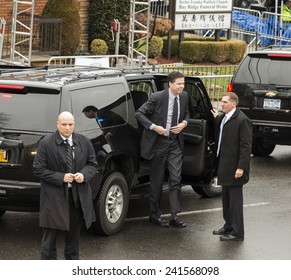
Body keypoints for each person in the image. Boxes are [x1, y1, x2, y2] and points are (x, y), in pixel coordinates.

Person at [33, 111, 98, 259]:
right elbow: (38, 169)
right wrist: (61, 177)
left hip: (76, 198)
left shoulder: (84, 141)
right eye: (64, 124)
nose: (67, 128)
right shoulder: (46, 143)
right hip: (54, 198)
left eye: (70, 124)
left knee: (73, 242)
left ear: (74, 124)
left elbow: (93, 164)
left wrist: (84, 175)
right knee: (49, 244)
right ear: (57, 124)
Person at [135, 71, 189, 228]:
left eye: (183, 83)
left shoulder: (184, 97)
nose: (182, 86)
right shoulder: (157, 97)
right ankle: (154, 215)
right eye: (179, 83)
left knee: (175, 178)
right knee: (157, 182)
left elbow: (186, 114)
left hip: (175, 143)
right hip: (158, 143)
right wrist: (154, 127)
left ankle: (174, 216)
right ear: (170, 84)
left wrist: (183, 124)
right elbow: (139, 114)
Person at [211, 92, 252, 241]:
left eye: (224, 102)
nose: (221, 104)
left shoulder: (242, 120)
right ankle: (228, 225)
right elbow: (223, 131)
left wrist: (241, 167)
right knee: (226, 199)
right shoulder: (223, 117)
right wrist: (216, 117)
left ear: (233, 104)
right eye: (221, 101)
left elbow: (246, 147)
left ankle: (237, 232)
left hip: (235, 167)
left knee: (235, 201)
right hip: (224, 165)